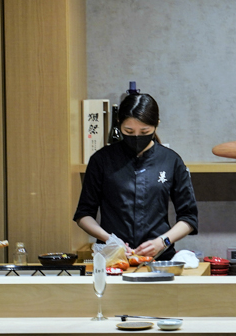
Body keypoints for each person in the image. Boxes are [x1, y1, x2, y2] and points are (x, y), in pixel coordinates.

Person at [74, 93, 198, 260]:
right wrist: (110, 240)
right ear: (119, 124)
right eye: (129, 131)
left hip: (160, 258)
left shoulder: (171, 160)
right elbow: (84, 214)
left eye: (145, 131)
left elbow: (188, 216)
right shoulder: (101, 160)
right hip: (114, 258)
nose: (137, 137)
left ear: (156, 125)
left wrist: (163, 241)